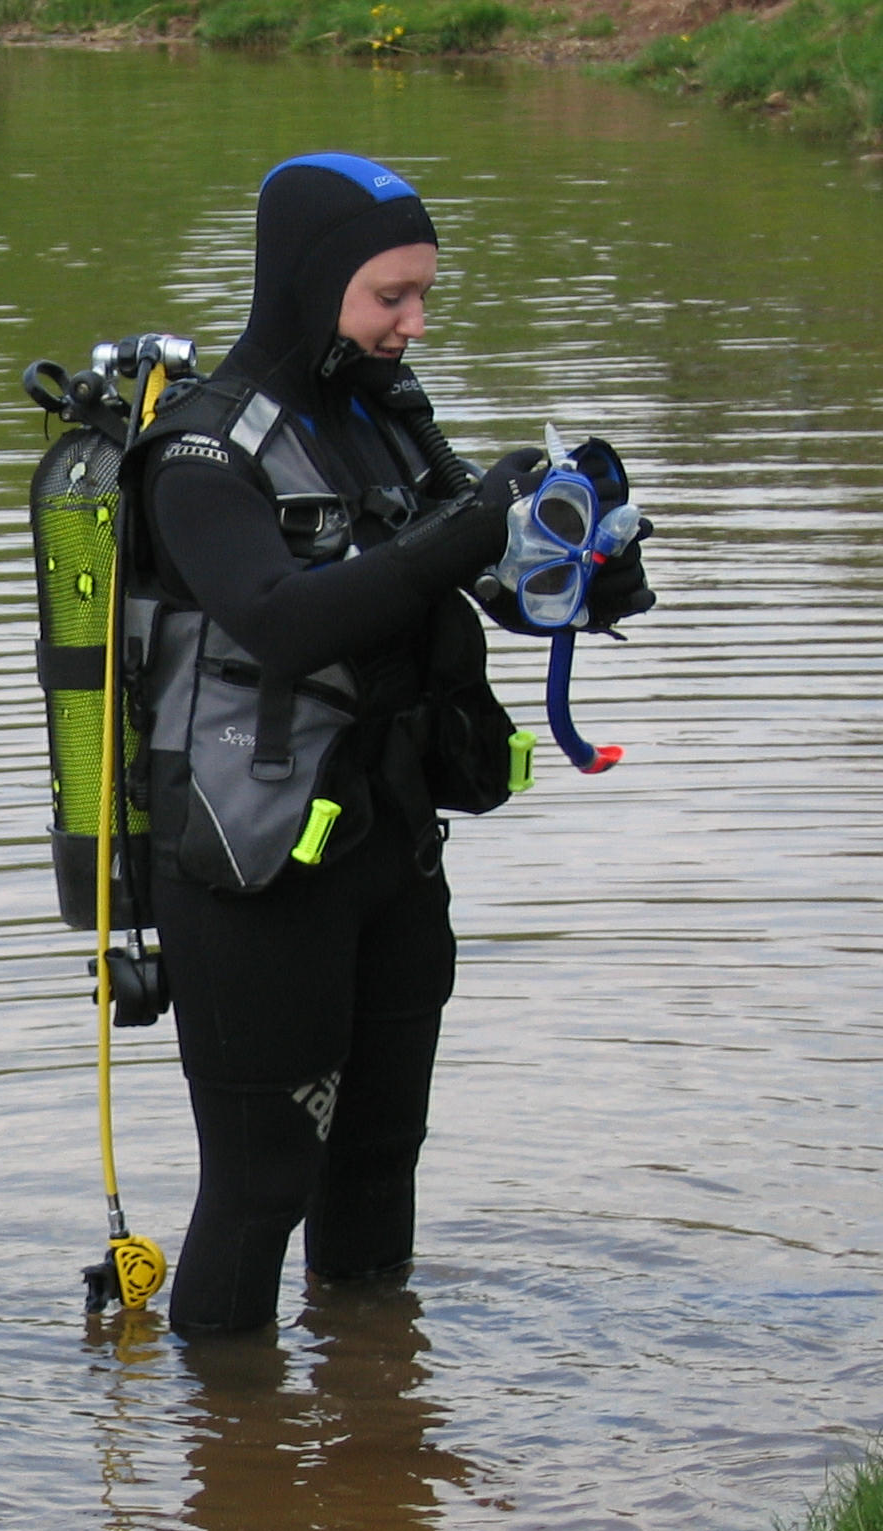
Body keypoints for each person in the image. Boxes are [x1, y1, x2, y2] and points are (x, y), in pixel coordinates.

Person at [130, 155, 650, 1337]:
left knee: (378, 1164)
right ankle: (231, 1439)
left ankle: (375, 1414)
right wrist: (471, 525)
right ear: (310, 285)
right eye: (390, 297)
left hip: (392, 845)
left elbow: (476, 579)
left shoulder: (386, 418)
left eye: (424, 294)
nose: (414, 323)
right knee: (263, 1186)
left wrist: (583, 580)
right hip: (255, 870)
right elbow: (281, 619)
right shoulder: (201, 454)